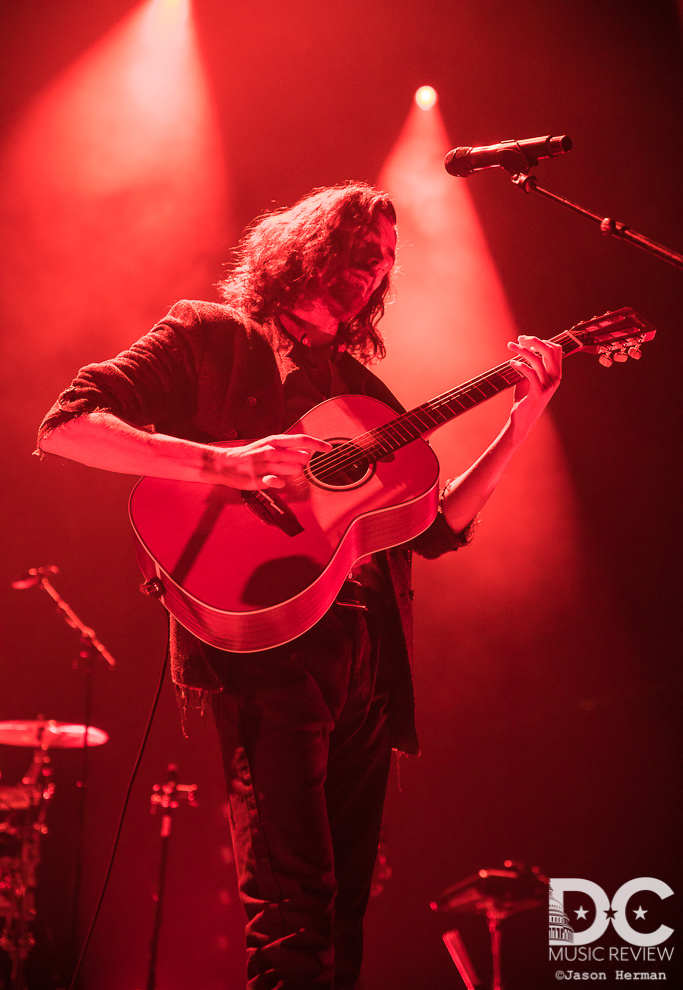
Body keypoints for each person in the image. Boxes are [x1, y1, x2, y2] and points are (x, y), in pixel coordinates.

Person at [37, 181, 562, 990]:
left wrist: (519, 422)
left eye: (384, 264)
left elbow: (436, 528)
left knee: (345, 915)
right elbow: (68, 425)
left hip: (368, 665)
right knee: (294, 917)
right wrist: (225, 462)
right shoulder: (210, 336)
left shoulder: (359, 396)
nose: (371, 274)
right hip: (265, 653)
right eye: (359, 252)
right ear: (306, 245)